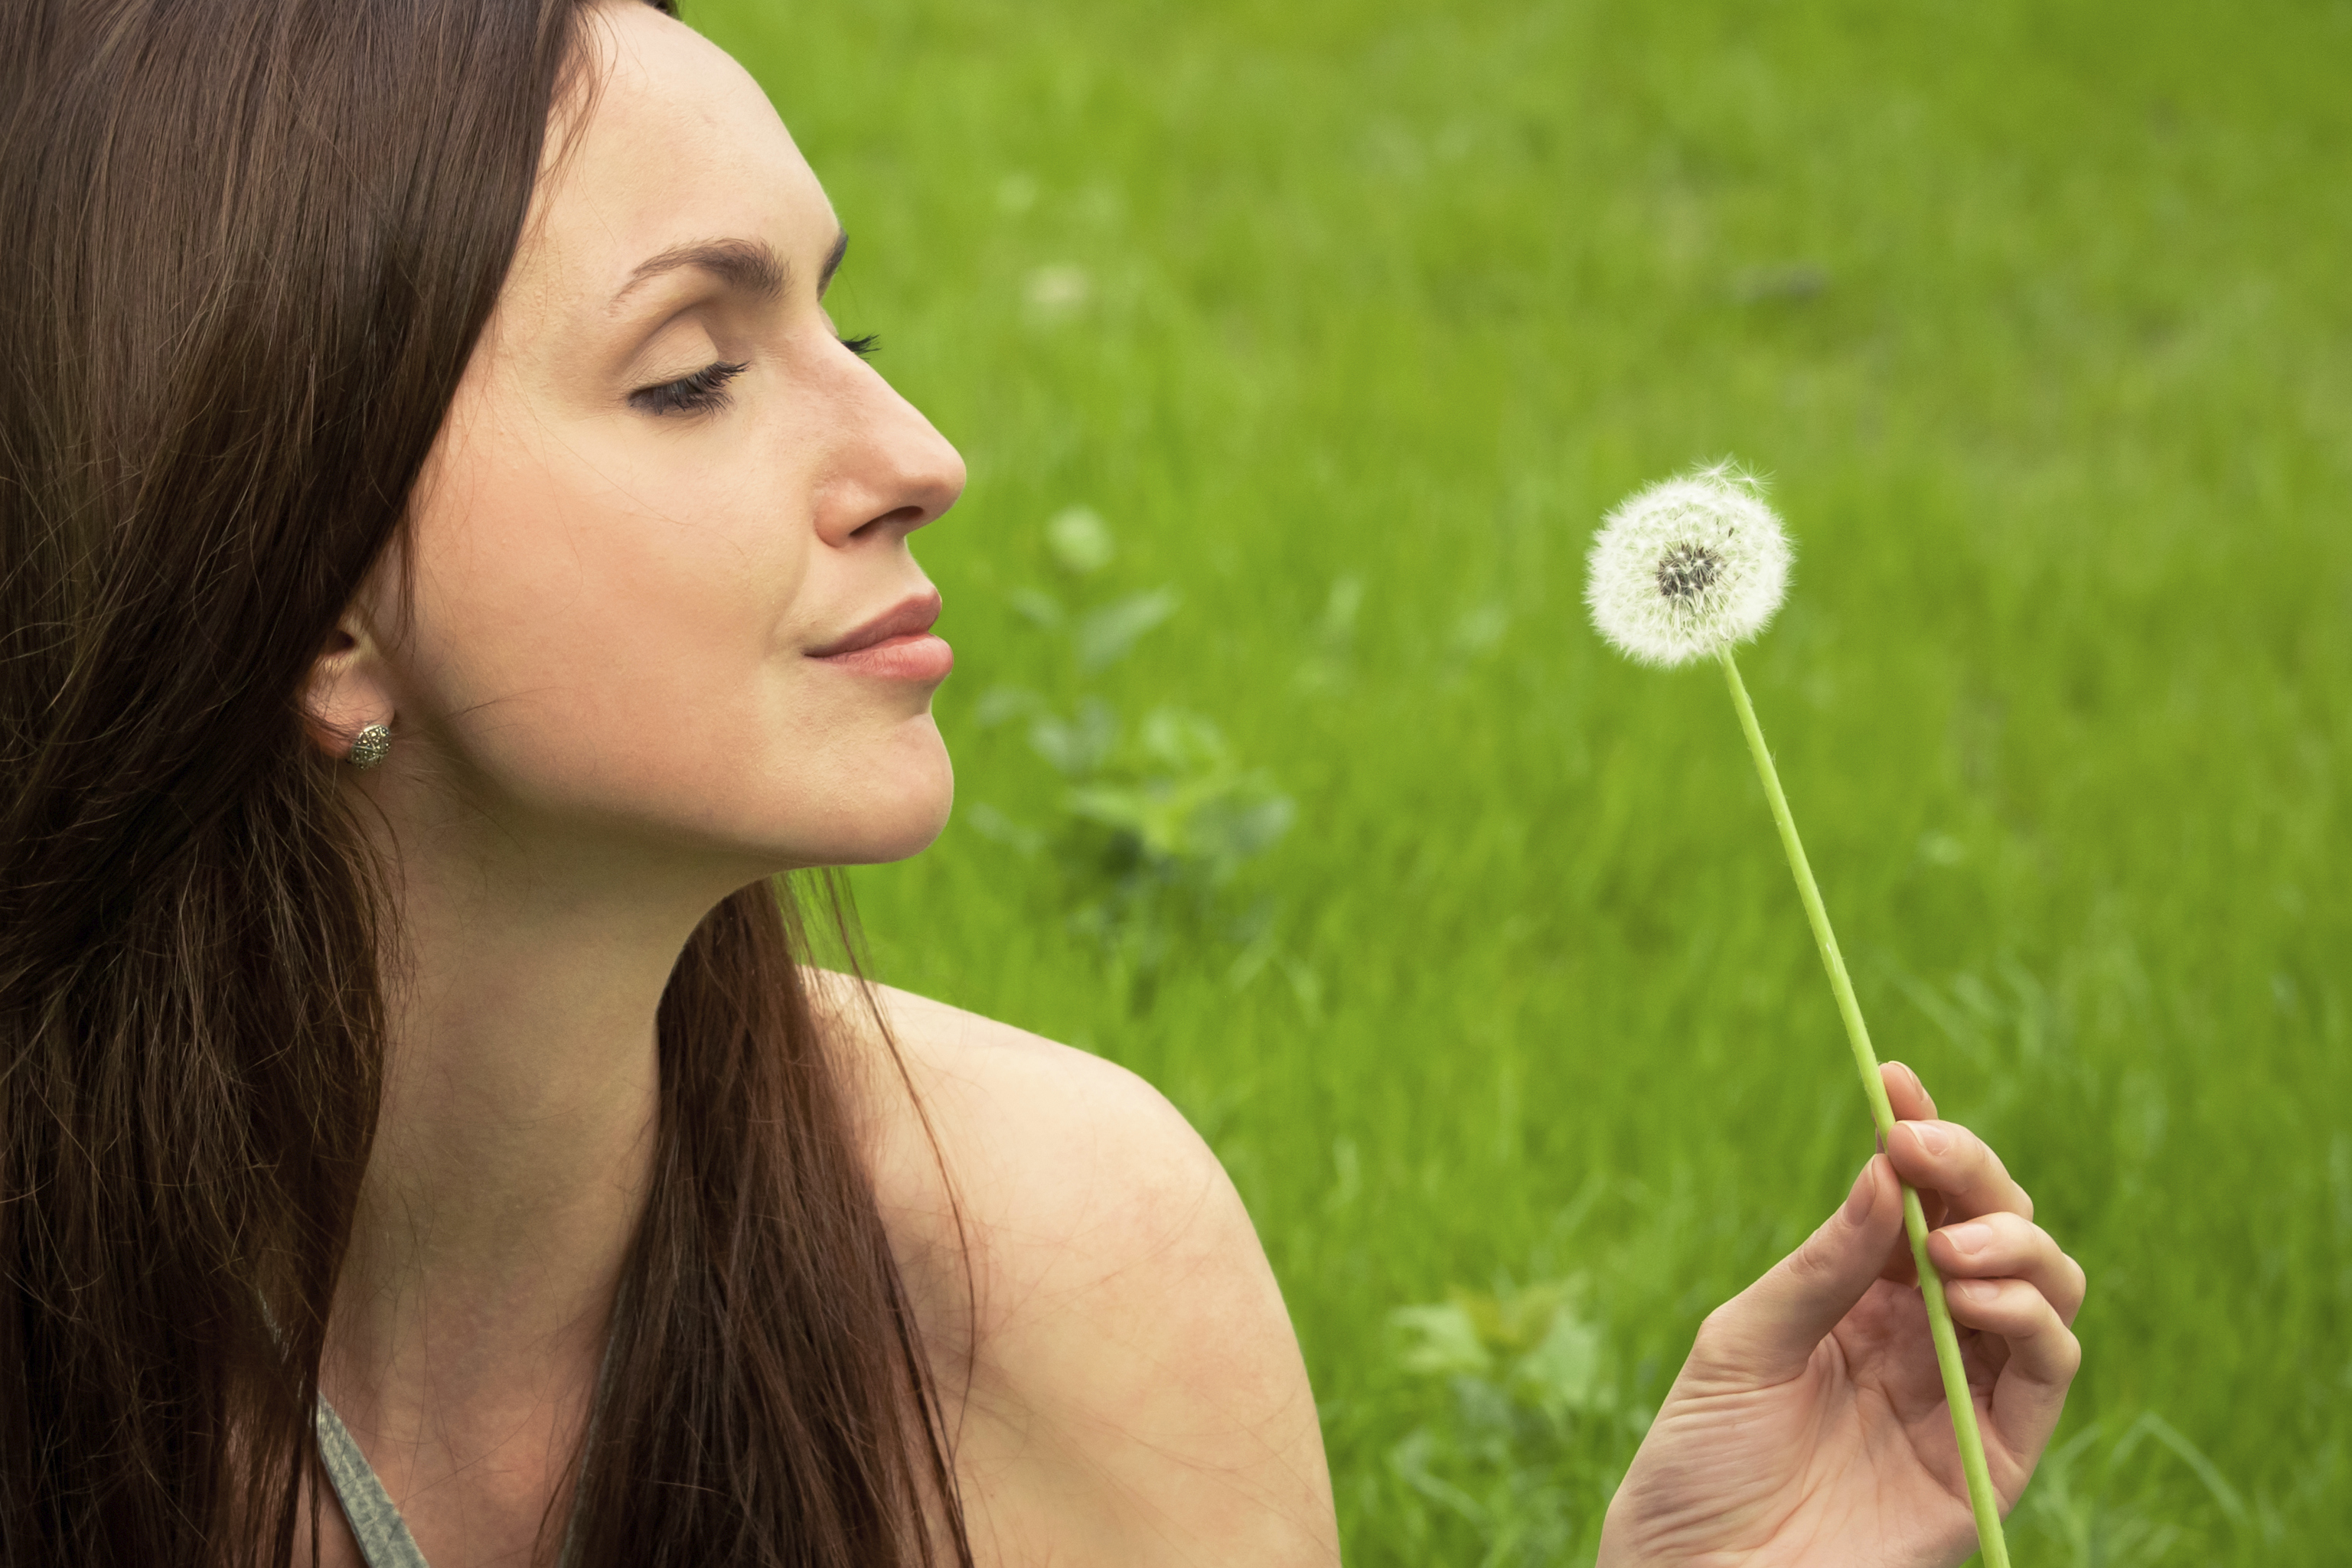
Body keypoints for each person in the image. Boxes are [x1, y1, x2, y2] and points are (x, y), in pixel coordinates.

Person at [0, 0, 2085, 1563]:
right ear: (311, 602)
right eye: (693, 371)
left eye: (851, 320)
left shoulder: (1040, 1263)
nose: (918, 453)